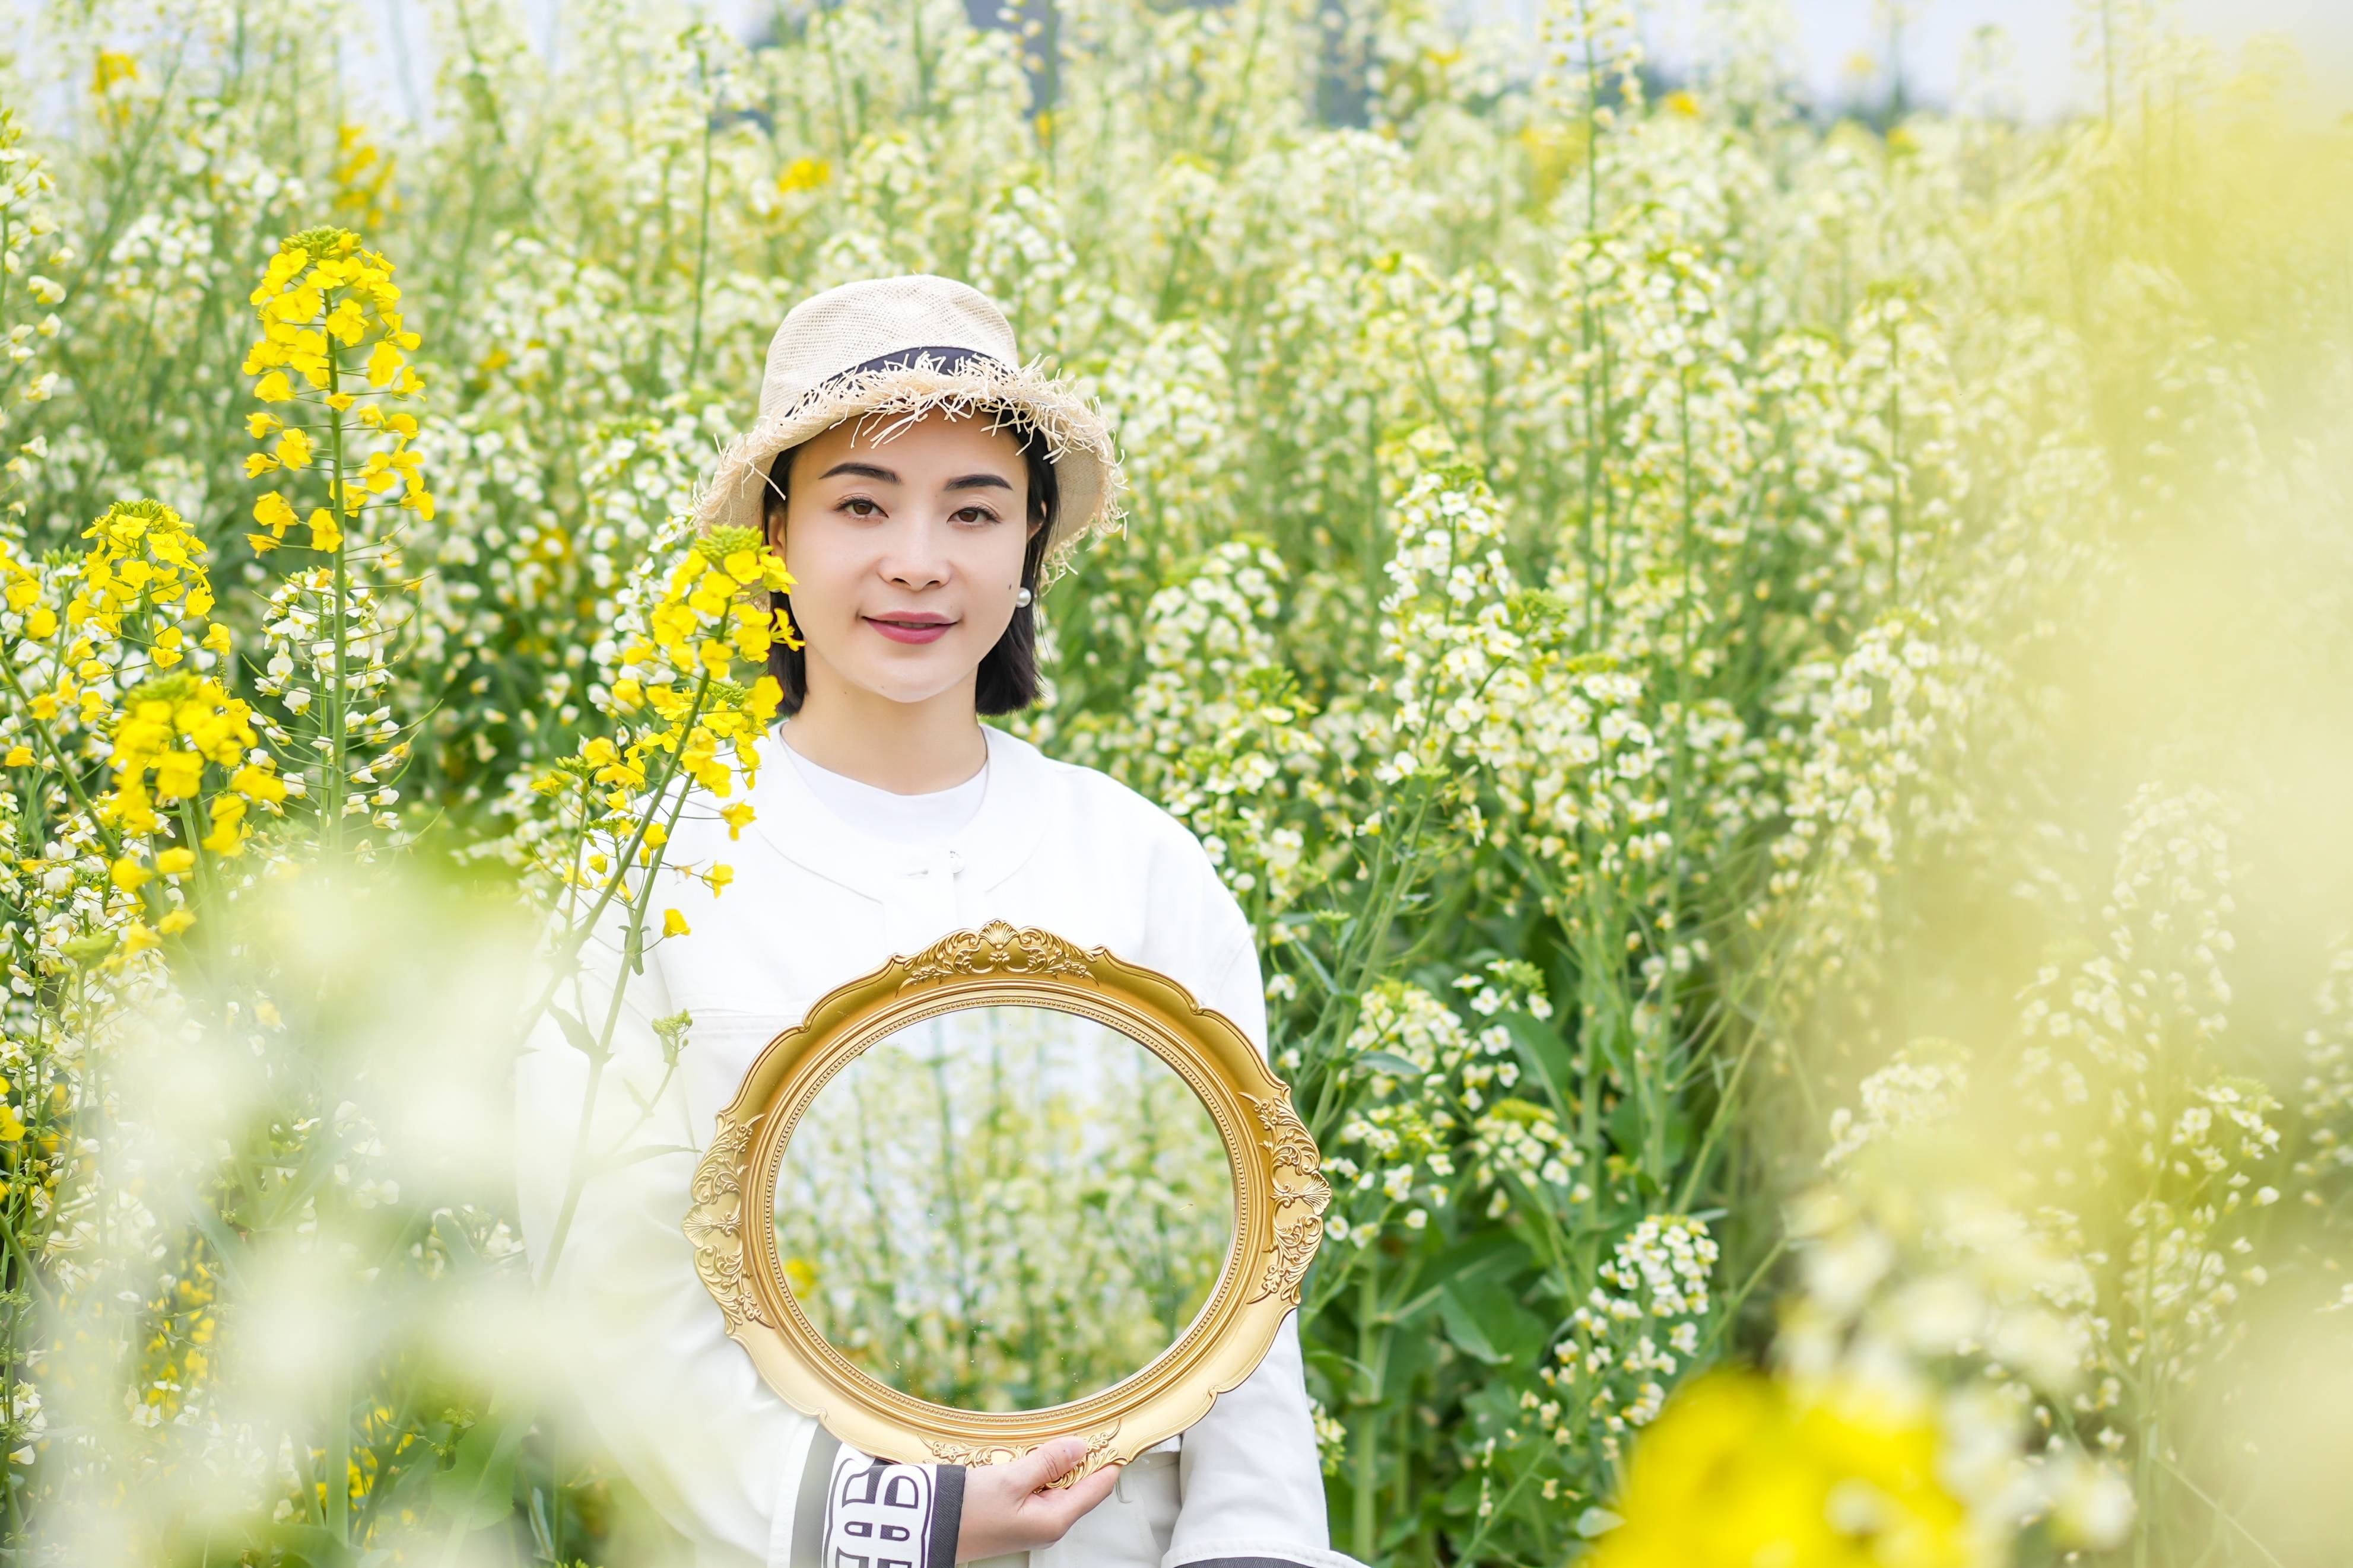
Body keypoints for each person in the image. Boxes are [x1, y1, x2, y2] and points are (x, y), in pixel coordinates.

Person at [513, 275, 1360, 1568]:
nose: (920, 557)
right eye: (862, 504)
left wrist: (1252, 1545)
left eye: (975, 510)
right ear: (778, 539)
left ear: (1027, 552)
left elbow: (1246, 1270)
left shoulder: (1139, 860)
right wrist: (915, 1524)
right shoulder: (646, 873)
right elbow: (617, 1305)